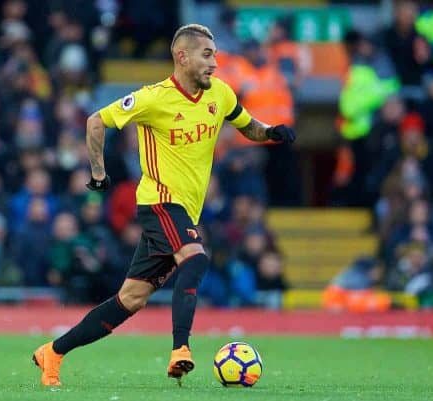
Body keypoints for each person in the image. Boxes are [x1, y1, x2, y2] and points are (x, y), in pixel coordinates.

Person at [32, 24, 295, 387]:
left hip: (185, 210)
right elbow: (97, 121)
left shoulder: (220, 93)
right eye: (207, 55)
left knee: (131, 299)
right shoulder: (152, 98)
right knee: (197, 258)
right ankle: (180, 350)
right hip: (159, 202)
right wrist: (97, 172)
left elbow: (247, 126)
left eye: (215, 55)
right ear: (182, 56)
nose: (215, 64)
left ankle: (53, 352)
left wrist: (271, 133)